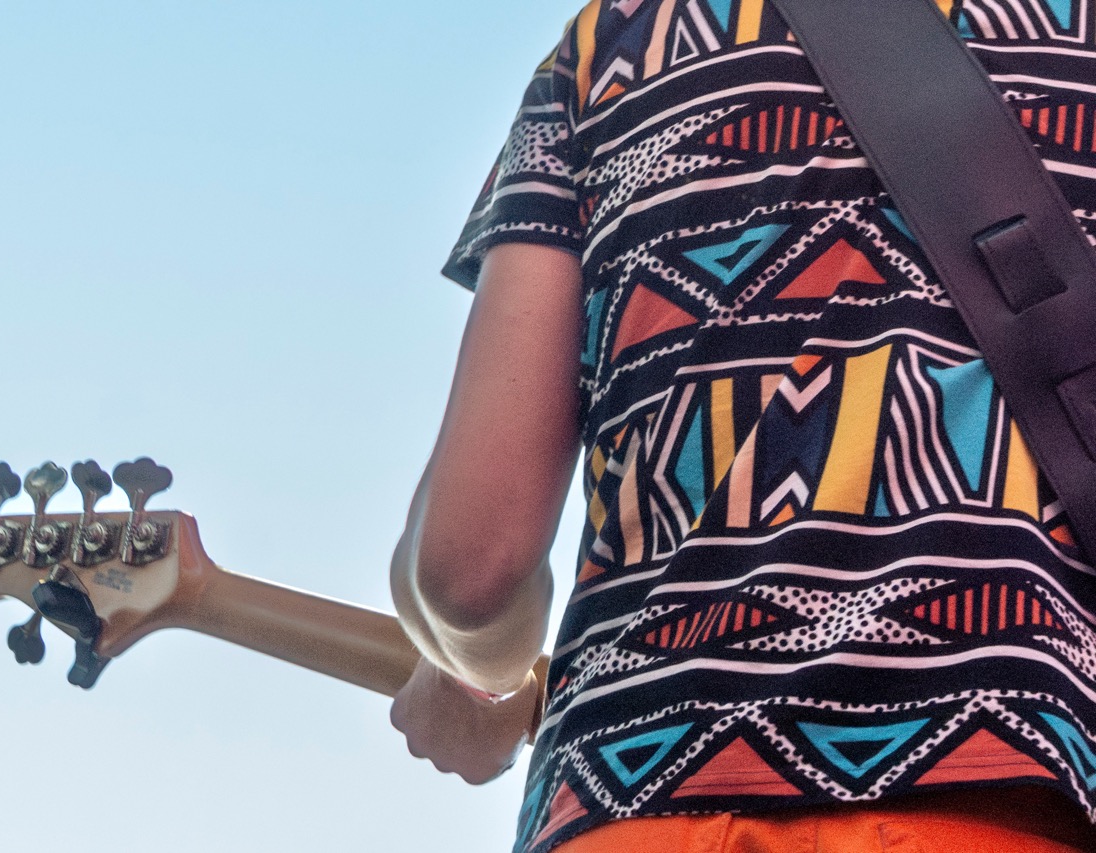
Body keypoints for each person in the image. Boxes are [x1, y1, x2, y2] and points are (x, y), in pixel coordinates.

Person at [389, 0, 1096, 850]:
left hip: (635, 797)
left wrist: (470, 675)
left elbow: (470, 571)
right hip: (1009, 793)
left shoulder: (607, 45)